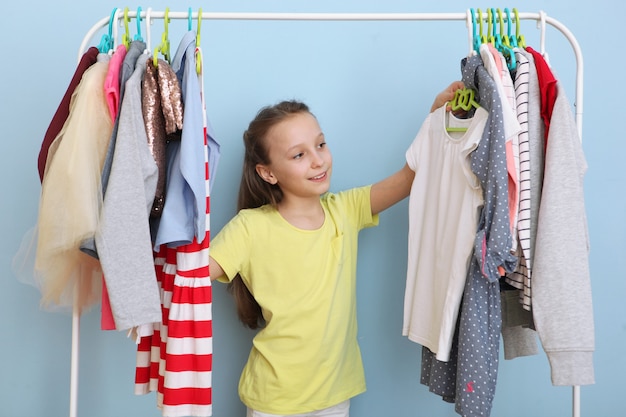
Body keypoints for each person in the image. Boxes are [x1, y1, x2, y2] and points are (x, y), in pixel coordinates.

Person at [209, 81, 464, 417]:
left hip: (334, 395)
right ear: (267, 172)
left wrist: (434, 119)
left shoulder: (345, 209)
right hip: (273, 400)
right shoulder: (249, 228)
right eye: (299, 154)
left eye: (321, 145)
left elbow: (408, 177)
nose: (318, 161)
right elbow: (190, 278)